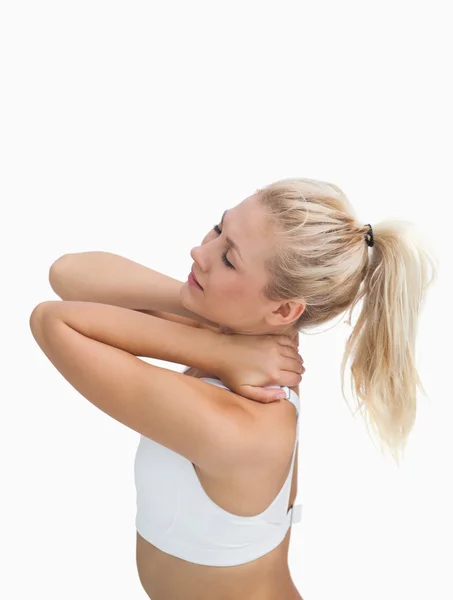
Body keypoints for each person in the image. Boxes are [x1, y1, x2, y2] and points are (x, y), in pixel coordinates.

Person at [32, 177, 437, 600]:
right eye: (218, 228)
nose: (200, 252)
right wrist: (211, 335)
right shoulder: (242, 333)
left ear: (282, 309)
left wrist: (214, 347)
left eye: (228, 259)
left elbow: (52, 321)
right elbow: (68, 275)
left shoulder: (244, 426)